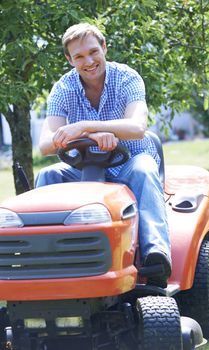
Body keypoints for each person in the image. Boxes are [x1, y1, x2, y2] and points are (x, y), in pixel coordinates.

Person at [36, 23, 171, 287]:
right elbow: (44, 144)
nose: (88, 61)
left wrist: (89, 127)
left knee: (144, 167)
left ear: (104, 48)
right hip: (83, 168)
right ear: (69, 59)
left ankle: (156, 256)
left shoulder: (127, 78)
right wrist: (82, 137)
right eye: (79, 57)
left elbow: (137, 128)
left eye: (93, 52)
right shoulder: (63, 89)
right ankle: (47, 258)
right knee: (48, 173)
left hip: (129, 163)